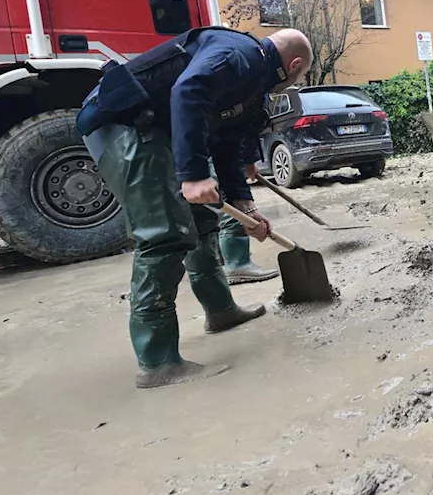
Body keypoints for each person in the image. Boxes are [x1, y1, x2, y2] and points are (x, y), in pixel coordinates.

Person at [77, 27, 312, 388]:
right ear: (294, 65)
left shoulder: (253, 88)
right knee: (164, 234)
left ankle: (221, 311)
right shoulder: (240, 54)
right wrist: (193, 174)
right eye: (301, 77)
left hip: (161, 132)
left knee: (204, 219)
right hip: (124, 124)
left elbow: (228, 148)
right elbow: (188, 90)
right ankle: (157, 363)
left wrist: (245, 208)